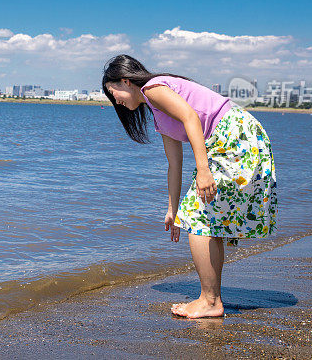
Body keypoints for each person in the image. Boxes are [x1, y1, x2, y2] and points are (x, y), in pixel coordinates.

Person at [102, 54, 278, 319]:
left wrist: (204, 170)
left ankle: (209, 301)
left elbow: (191, 119)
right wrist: (172, 210)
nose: (115, 100)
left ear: (126, 81)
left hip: (232, 137)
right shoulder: (158, 110)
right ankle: (212, 299)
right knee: (206, 217)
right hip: (238, 135)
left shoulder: (153, 89)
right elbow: (174, 163)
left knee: (199, 218)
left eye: (113, 92)